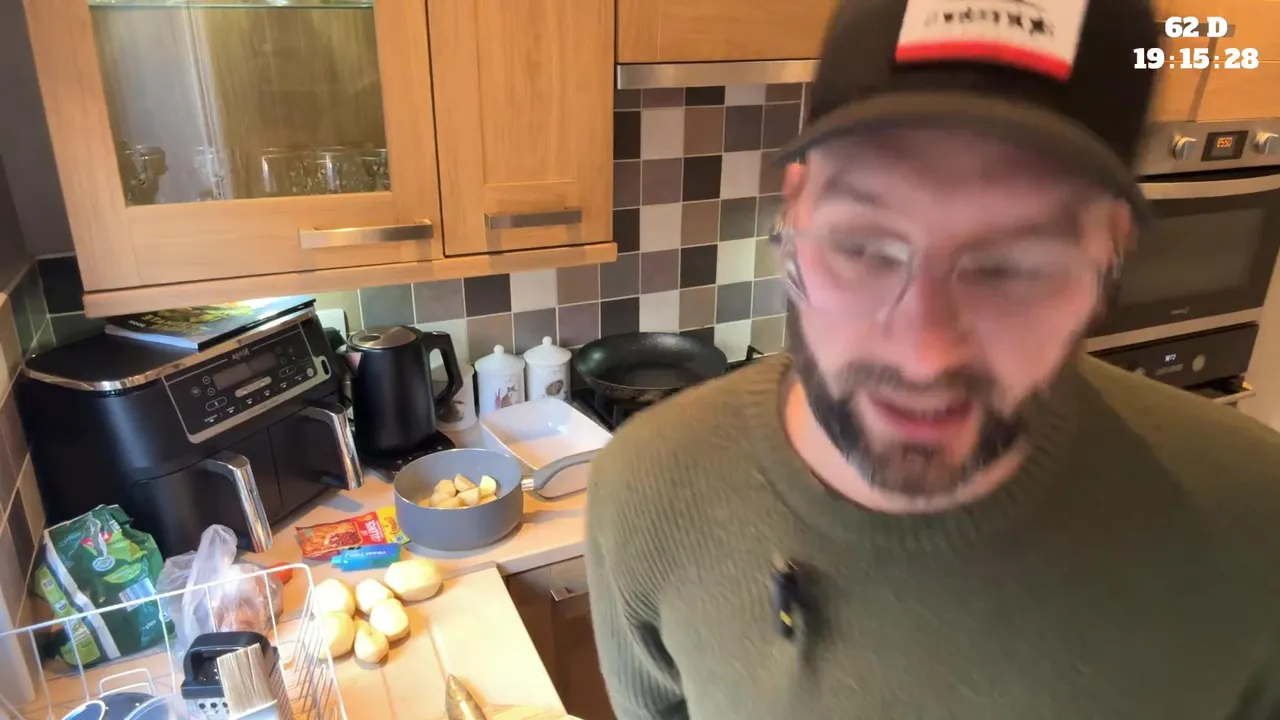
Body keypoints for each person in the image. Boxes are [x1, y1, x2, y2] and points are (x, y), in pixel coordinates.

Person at [585, 0, 1280, 717]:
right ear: (794, 211)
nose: (924, 358)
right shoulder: (648, 497)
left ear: (1113, 251)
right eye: (864, 246)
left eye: (1015, 266)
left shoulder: (1258, 530)